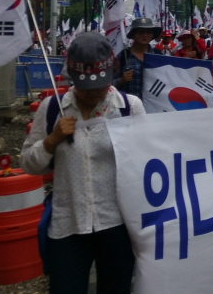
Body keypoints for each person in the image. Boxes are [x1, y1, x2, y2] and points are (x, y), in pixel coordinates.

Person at [22, 33, 145, 294]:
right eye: (85, 87)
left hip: (117, 225)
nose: (92, 93)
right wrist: (51, 140)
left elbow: (145, 163)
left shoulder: (128, 108)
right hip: (68, 226)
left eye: (99, 86)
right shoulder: (52, 108)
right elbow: (29, 165)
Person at [115, 17, 160, 97]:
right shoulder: (123, 56)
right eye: (140, 32)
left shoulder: (158, 55)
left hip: (154, 103)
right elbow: (108, 85)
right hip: (129, 103)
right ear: (133, 35)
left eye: (148, 32)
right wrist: (121, 80)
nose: (145, 35)